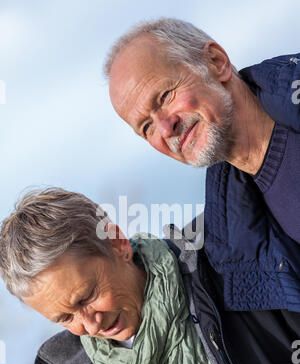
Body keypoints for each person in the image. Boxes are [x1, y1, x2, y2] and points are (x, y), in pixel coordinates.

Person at [1, 187, 300, 364]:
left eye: (87, 296)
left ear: (118, 244)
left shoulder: (231, 268)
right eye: (66, 317)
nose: (91, 325)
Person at [105, 18, 300, 314]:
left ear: (216, 62)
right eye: (146, 127)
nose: (165, 128)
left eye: (165, 96)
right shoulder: (232, 247)